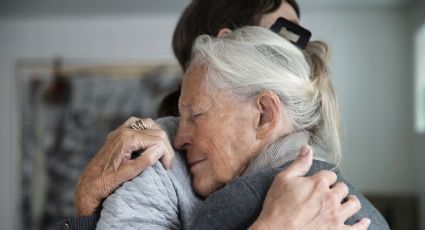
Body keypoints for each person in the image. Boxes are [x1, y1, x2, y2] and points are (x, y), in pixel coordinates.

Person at [59, 0, 375, 229]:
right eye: (281, 36)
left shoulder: (323, 185)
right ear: (227, 40)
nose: (293, 57)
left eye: (298, 42)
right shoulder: (156, 158)